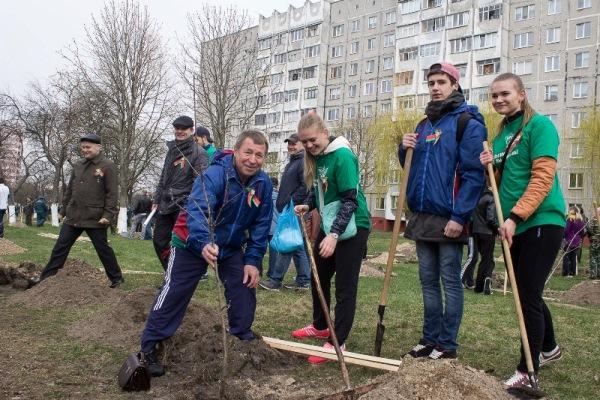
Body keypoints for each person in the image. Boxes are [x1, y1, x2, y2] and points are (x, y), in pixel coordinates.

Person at [138, 130, 273, 377]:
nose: (253, 159)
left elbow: (261, 226)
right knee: (175, 291)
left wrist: (252, 261)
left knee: (244, 284)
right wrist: (203, 242)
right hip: (191, 241)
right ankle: (149, 347)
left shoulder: (262, 184)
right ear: (236, 151)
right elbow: (198, 211)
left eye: (259, 155)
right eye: (248, 152)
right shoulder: (215, 174)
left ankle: (240, 338)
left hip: (230, 247)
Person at [480, 72, 565, 390]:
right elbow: (503, 185)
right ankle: (549, 348)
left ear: (522, 94)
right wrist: (491, 167)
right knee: (527, 290)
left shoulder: (540, 126)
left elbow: (542, 178)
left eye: (505, 93)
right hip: (513, 223)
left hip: (541, 221)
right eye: (494, 95)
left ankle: (527, 372)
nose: (499, 99)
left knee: (527, 293)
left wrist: (515, 217)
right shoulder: (501, 135)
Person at [399, 62, 486, 360]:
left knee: (449, 281)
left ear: (454, 85)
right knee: (427, 281)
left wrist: (459, 217)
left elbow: (475, 175)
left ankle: (447, 344)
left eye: (441, 82)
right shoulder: (423, 125)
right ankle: (429, 339)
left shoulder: (466, 123)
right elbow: (416, 170)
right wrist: (404, 148)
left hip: (450, 218)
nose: (435, 87)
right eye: (431, 82)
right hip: (423, 217)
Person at [291, 112, 371, 364]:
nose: (309, 146)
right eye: (304, 142)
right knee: (319, 276)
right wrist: (307, 204)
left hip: (352, 226)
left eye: (312, 140)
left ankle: (338, 340)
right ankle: (321, 325)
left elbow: (349, 199)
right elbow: (322, 191)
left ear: (324, 133)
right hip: (330, 223)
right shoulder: (318, 158)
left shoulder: (343, 156)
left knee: (345, 287)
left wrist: (334, 235)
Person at [35, 133, 125, 288]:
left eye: (88, 147)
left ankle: (116, 278)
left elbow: (112, 194)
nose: (85, 150)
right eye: (83, 147)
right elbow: (70, 189)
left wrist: (108, 215)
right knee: (60, 247)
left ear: (99, 147)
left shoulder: (107, 165)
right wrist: (63, 210)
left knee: (102, 249)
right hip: (74, 215)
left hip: (95, 217)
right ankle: (46, 278)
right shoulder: (78, 165)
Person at [153, 116, 208, 270]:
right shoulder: (171, 150)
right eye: (177, 128)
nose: (179, 131)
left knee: (181, 243)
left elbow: (200, 183)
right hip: (165, 203)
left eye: (183, 128)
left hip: (183, 205)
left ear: (191, 130)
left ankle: (180, 274)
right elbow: (163, 177)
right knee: (159, 240)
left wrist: (192, 204)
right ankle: (171, 271)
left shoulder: (199, 153)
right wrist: (156, 199)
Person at [260, 133, 311, 291]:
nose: (291, 146)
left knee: (286, 242)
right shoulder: (293, 162)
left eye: (294, 143)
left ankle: (275, 280)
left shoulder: (302, 162)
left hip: (294, 209)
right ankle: (304, 279)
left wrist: (292, 203)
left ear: (302, 145)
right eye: (289, 143)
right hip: (290, 209)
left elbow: (305, 186)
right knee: (297, 244)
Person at [461, 187, 497, 294]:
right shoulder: (491, 197)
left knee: (478, 258)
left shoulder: (476, 196)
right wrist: (497, 229)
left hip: (475, 231)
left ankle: (475, 283)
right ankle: (483, 282)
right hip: (487, 233)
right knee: (487, 259)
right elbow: (490, 218)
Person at [264, 176, 280, 276]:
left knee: (260, 249)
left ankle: (258, 270)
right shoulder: (280, 196)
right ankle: (272, 273)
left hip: (264, 227)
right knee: (274, 253)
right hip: (276, 228)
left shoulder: (264, 195)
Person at [562, 208, 585, 277]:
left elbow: (566, 230)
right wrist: (579, 238)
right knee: (573, 257)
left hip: (569, 240)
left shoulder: (570, 220)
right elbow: (582, 232)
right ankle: (573, 272)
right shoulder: (580, 221)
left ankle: (566, 272)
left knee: (567, 257)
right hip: (577, 241)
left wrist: (563, 237)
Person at [587, 207, 600, 279]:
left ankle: (593, 274)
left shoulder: (593, 221)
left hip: (594, 242)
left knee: (593, 258)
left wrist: (591, 237)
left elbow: (589, 230)